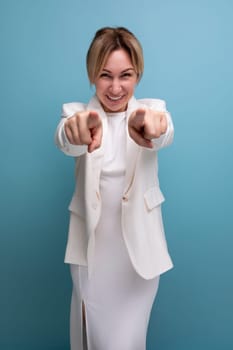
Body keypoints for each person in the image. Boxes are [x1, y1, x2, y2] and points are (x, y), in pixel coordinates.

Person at [55, 26, 174, 350]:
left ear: (138, 74)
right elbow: (67, 139)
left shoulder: (152, 111)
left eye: (126, 75)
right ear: (93, 74)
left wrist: (153, 129)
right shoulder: (77, 115)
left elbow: (163, 131)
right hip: (93, 256)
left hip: (138, 258)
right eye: (105, 75)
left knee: (128, 342)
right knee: (95, 339)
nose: (116, 86)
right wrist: (76, 133)